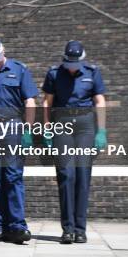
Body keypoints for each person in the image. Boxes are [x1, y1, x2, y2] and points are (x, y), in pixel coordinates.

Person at [42, 40, 107, 244]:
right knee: (66, 174)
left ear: (82, 59)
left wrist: (102, 131)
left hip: (85, 125)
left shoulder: (92, 72)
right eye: (68, 63)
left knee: (82, 175)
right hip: (62, 124)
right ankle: (67, 229)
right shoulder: (54, 73)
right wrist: (47, 129)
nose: (71, 68)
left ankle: (80, 229)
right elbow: (47, 102)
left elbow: (100, 101)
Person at [0, 38, 38, 244]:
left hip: (13, 127)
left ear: (4, 51)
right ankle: (0, 227)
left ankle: (18, 226)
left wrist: (28, 130)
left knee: (13, 177)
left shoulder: (19, 70)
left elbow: (29, 101)